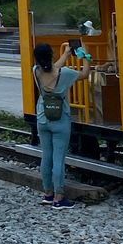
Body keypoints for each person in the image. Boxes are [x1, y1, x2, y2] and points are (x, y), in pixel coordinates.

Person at [33, 39, 92, 207]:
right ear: (51, 55)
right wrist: (86, 57)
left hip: (43, 118)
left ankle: (48, 194)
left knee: (47, 157)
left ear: (37, 58)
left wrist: (66, 54)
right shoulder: (66, 73)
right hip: (60, 119)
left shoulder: (35, 71)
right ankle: (59, 197)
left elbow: (51, 67)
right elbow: (85, 74)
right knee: (59, 158)